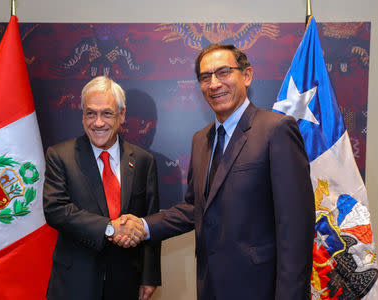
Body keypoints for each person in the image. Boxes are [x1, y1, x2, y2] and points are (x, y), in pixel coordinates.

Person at [117, 44, 315, 300]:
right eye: (205, 77)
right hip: (210, 286)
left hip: (260, 289)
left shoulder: (276, 130)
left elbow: (296, 228)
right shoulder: (201, 140)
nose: (214, 84)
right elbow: (194, 208)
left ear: (246, 75)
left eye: (223, 72)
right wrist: (143, 225)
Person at [43, 76, 161, 300]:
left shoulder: (144, 160)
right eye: (90, 113)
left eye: (106, 113)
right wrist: (109, 228)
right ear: (83, 115)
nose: (98, 123)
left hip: (126, 281)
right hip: (75, 281)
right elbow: (56, 210)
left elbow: (150, 219)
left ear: (122, 115)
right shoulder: (60, 156)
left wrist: (150, 275)